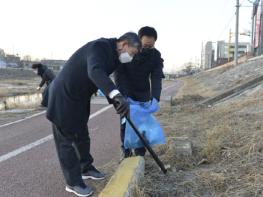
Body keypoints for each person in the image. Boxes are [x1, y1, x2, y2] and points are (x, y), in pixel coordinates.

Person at [46, 32, 141, 197]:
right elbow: (95, 71)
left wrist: (118, 101)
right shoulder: (100, 47)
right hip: (63, 94)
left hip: (81, 96)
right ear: (124, 44)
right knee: (65, 140)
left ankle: (86, 168)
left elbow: (105, 79)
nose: (130, 57)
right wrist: (115, 95)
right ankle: (73, 182)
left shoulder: (114, 57)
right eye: (131, 53)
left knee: (82, 133)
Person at [114, 26, 164, 158]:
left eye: (151, 46)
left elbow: (156, 77)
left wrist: (155, 98)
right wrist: (123, 96)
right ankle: (126, 151)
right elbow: (119, 74)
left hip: (143, 94)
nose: (147, 48)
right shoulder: (127, 52)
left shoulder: (155, 56)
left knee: (142, 125)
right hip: (126, 93)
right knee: (126, 123)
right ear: (138, 40)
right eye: (145, 45)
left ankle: (140, 154)